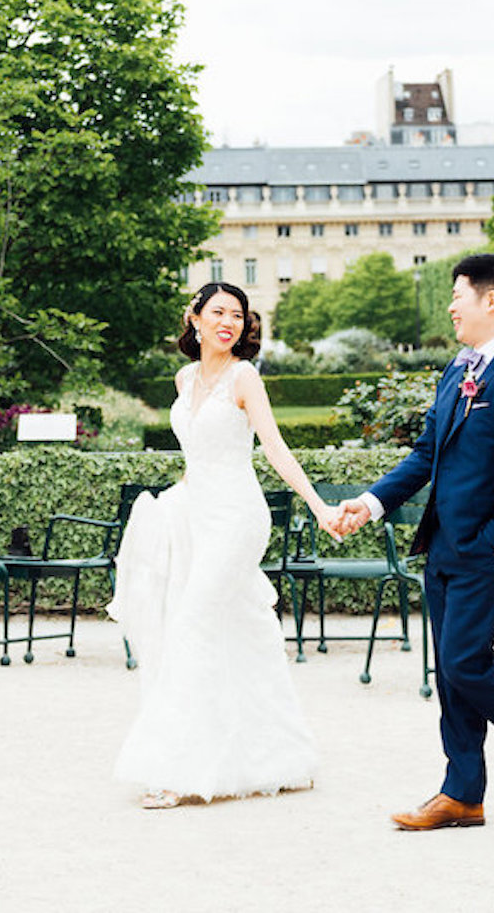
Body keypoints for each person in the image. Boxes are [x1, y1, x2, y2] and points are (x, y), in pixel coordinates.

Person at [333, 253, 494, 830]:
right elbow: (427, 453)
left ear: (490, 300)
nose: (450, 306)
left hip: (490, 548)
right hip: (444, 544)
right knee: (451, 673)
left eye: (458, 295)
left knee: (465, 662)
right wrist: (371, 503)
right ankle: (463, 793)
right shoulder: (461, 367)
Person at [108, 281, 340, 809]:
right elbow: (198, 458)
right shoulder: (184, 376)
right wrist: (172, 502)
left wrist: (319, 505)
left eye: (237, 315)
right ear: (194, 317)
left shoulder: (244, 376)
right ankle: (280, 757)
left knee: (190, 624)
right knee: (243, 630)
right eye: (218, 312)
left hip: (237, 518)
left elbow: (274, 447)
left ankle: (174, 769)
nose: (228, 322)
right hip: (196, 512)